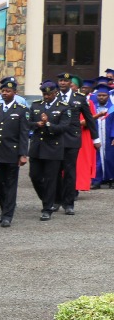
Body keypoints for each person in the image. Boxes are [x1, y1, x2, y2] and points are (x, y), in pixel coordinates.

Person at [54, 72, 99, 214]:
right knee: (54, 172)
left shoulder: (79, 99)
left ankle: (69, 203)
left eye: (65, 81)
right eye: (60, 80)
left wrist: (95, 138)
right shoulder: (53, 97)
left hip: (72, 139)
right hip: (55, 139)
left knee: (69, 172)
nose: (62, 83)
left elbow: (89, 119)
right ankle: (56, 201)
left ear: (70, 84)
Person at [0, 78, 30, 227]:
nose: (5, 93)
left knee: (11, 184)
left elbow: (24, 134)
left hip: (12, 153)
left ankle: (7, 215)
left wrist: (23, 154)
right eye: (3, 91)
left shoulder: (21, 110)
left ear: (15, 93)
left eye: (8, 91)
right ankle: (4, 207)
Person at [29, 81, 71, 220]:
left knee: (50, 179)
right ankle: (48, 199)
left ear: (55, 93)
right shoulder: (36, 105)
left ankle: (47, 208)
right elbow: (26, 123)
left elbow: (64, 127)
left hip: (53, 147)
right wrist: (36, 124)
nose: (46, 97)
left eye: (49, 94)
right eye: (44, 94)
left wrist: (48, 124)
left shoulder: (63, 107)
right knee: (34, 176)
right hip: (37, 147)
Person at [93, 83, 114, 188]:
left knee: (111, 157)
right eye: (99, 95)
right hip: (96, 137)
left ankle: (111, 179)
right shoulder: (92, 108)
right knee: (96, 158)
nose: (101, 97)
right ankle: (97, 180)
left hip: (109, 137)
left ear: (108, 96)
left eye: (104, 95)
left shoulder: (112, 108)